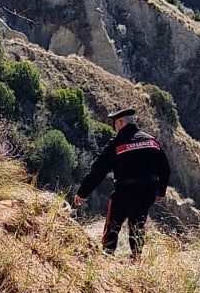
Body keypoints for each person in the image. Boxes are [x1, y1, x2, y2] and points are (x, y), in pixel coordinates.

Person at [73, 108, 171, 260]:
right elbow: (165, 169)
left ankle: (106, 256)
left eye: (115, 124)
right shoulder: (152, 141)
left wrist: (82, 193)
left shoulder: (117, 145)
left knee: (112, 226)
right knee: (138, 225)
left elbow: (98, 171)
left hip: (124, 192)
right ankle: (137, 258)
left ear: (120, 123)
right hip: (147, 192)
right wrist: (161, 191)